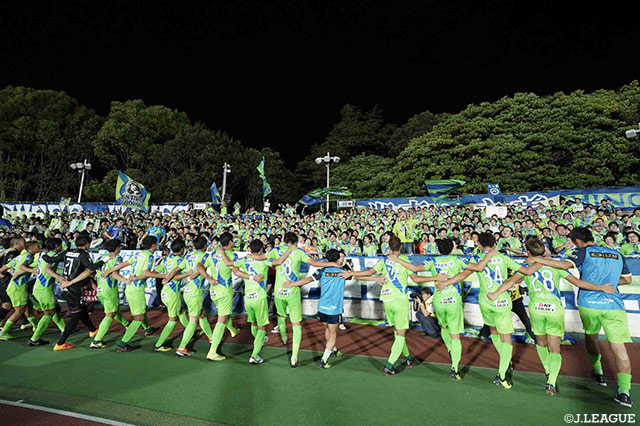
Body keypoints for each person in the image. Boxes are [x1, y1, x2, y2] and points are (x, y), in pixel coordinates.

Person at [487, 237, 616, 396]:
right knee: (555, 348)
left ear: (527, 251)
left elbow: (510, 282)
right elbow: (578, 283)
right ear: (544, 250)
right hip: (554, 311)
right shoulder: (556, 266)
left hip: (537, 310)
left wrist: (495, 294)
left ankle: (548, 370)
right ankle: (551, 382)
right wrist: (601, 288)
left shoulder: (526, 267)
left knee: (541, 343)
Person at [527, 227, 634, 408]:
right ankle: (624, 392)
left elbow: (564, 265)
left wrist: (537, 259)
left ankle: (598, 372)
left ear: (577, 241)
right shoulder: (616, 253)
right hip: (614, 305)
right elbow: (627, 280)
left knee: (591, 336)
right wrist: (606, 285)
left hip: (589, 303)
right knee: (619, 348)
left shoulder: (583, 251)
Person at [440, 232, 539, 389]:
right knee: (506, 338)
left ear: (479, 245)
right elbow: (526, 272)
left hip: (485, 301)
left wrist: (446, 283)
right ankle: (502, 374)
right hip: (501, 300)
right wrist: (542, 261)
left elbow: (462, 275)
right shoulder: (503, 257)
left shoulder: (476, 258)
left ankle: (506, 362)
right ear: (495, 244)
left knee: (493, 332)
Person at [392, 238, 495, 380]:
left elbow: (415, 269)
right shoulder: (457, 259)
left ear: (438, 249)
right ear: (452, 248)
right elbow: (478, 268)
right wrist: (489, 254)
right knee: (455, 336)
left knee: (444, 328)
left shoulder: (432, 261)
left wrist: (397, 260)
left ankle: (451, 350)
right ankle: (455, 369)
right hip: (454, 301)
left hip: (439, 301)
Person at [344, 235, 425, 376]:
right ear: (401, 246)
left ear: (388, 247)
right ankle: (389, 365)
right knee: (401, 334)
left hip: (387, 299)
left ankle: (408, 358)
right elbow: (416, 278)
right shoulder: (405, 260)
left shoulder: (384, 260)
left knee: (398, 331)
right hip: (400, 300)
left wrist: (351, 273)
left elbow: (369, 272)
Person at [266, 232, 329, 367]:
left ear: (284, 240)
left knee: (281, 315)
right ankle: (294, 357)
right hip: (293, 292)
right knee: (296, 324)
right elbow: (314, 263)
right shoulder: (299, 252)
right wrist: (331, 263)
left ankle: (284, 337)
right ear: (296, 242)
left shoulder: (276, 251)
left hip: (279, 291)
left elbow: (263, 258)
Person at [283, 249, 347, 369]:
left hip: (322, 308)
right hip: (334, 309)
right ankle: (324, 360)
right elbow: (359, 275)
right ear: (338, 258)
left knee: (327, 329)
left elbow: (308, 279)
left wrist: (291, 284)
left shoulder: (322, 270)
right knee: (333, 334)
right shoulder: (343, 272)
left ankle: (333, 350)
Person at [232, 239, 291, 364]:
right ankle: (254, 356)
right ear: (261, 250)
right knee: (262, 327)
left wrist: (250, 277)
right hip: (259, 298)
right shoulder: (264, 260)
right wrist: (290, 250)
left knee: (253, 323)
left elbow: (235, 270)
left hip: (248, 298)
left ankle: (259, 340)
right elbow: (279, 261)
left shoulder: (244, 259)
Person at [47, 235, 101, 350]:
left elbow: (49, 260)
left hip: (64, 287)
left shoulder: (68, 252)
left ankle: (92, 330)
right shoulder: (83, 254)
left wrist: (43, 255)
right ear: (87, 244)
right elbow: (90, 268)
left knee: (82, 309)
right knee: (75, 316)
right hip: (73, 288)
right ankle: (60, 343)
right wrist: (102, 261)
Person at [115, 236, 164, 353]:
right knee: (139, 318)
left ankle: (148, 329)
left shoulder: (138, 253)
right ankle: (122, 344)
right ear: (153, 245)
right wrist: (164, 275)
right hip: (136, 289)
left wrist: (110, 270)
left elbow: (124, 264)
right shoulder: (149, 256)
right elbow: (146, 273)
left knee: (142, 311)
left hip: (130, 288)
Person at [198, 232, 240, 361]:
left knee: (223, 313)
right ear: (230, 242)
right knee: (221, 320)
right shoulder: (231, 255)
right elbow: (236, 271)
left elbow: (199, 266)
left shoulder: (212, 254)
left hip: (214, 291)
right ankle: (212, 351)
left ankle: (232, 330)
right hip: (224, 291)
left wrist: (209, 279)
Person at [87, 239, 131, 349]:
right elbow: (114, 274)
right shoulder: (117, 258)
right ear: (116, 248)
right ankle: (96, 341)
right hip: (109, 289)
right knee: (110, 314)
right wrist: (126, 281)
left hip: (100, 289)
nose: (120, 248)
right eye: (119, 246)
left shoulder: (101, 257)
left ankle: (127, 324)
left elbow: (93, 272)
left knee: (112, 310)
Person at [152, 239, 190, 352]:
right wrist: (188, 274)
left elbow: (155, 272)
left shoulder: (166, 259)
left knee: (181, 311)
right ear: (182, 249)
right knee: (172, 320)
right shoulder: (180, 261)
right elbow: (176, 277)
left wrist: (165, 277)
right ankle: (158, 344)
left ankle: (190, 330)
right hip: (173, 293)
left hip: (164, 292)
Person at [28, 238, 68, 346]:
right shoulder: (53, 256)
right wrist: (58, 277)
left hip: (40, 287)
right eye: (60, 245)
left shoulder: (45, 255)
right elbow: (47, 269)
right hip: (44, 289)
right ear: (56, 246)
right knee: (48, 313)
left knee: (56, 308)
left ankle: (64, 330)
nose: (62, 246)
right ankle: (34, 339)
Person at [0, 241, 41, 340]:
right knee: (19, 311)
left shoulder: (18, 257)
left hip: (13, 286)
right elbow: (22, 266)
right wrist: (32, 271)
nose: (39, 247)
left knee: (28, 306)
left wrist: (11, 276)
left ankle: (35, 326)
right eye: (37, 246)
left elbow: (2, 270)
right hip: (18, 288)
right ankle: (3, 333)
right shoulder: (29, 256)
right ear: (32, 248)